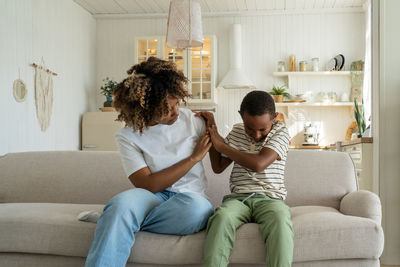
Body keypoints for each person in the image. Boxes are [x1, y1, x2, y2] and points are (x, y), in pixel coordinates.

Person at [85, 57, 214, 267]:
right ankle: (118, 220)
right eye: (166, 109)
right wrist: (193, 159)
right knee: (121, 204)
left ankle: (115, 223)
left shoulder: (193, 121)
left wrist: (214, 127)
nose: (176, 112)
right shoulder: (128, 136)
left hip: (188, 198)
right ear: (145, 109)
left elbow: (223, 158)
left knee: (197, 210)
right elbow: (147, 184)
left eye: (177, 104)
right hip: (151, 197)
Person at [199, 90, 293, 267]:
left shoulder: (281, 133)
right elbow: (218, 166)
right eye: (250, 128)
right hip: (239, 199)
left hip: (270, 199)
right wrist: (212, 131)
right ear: (241, 116)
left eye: (262, 129)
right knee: (222, 217)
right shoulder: (237, 132)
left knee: (280, 219)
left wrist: (223, 147)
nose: (256, 135)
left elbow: (259, 164)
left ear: (274, 118)